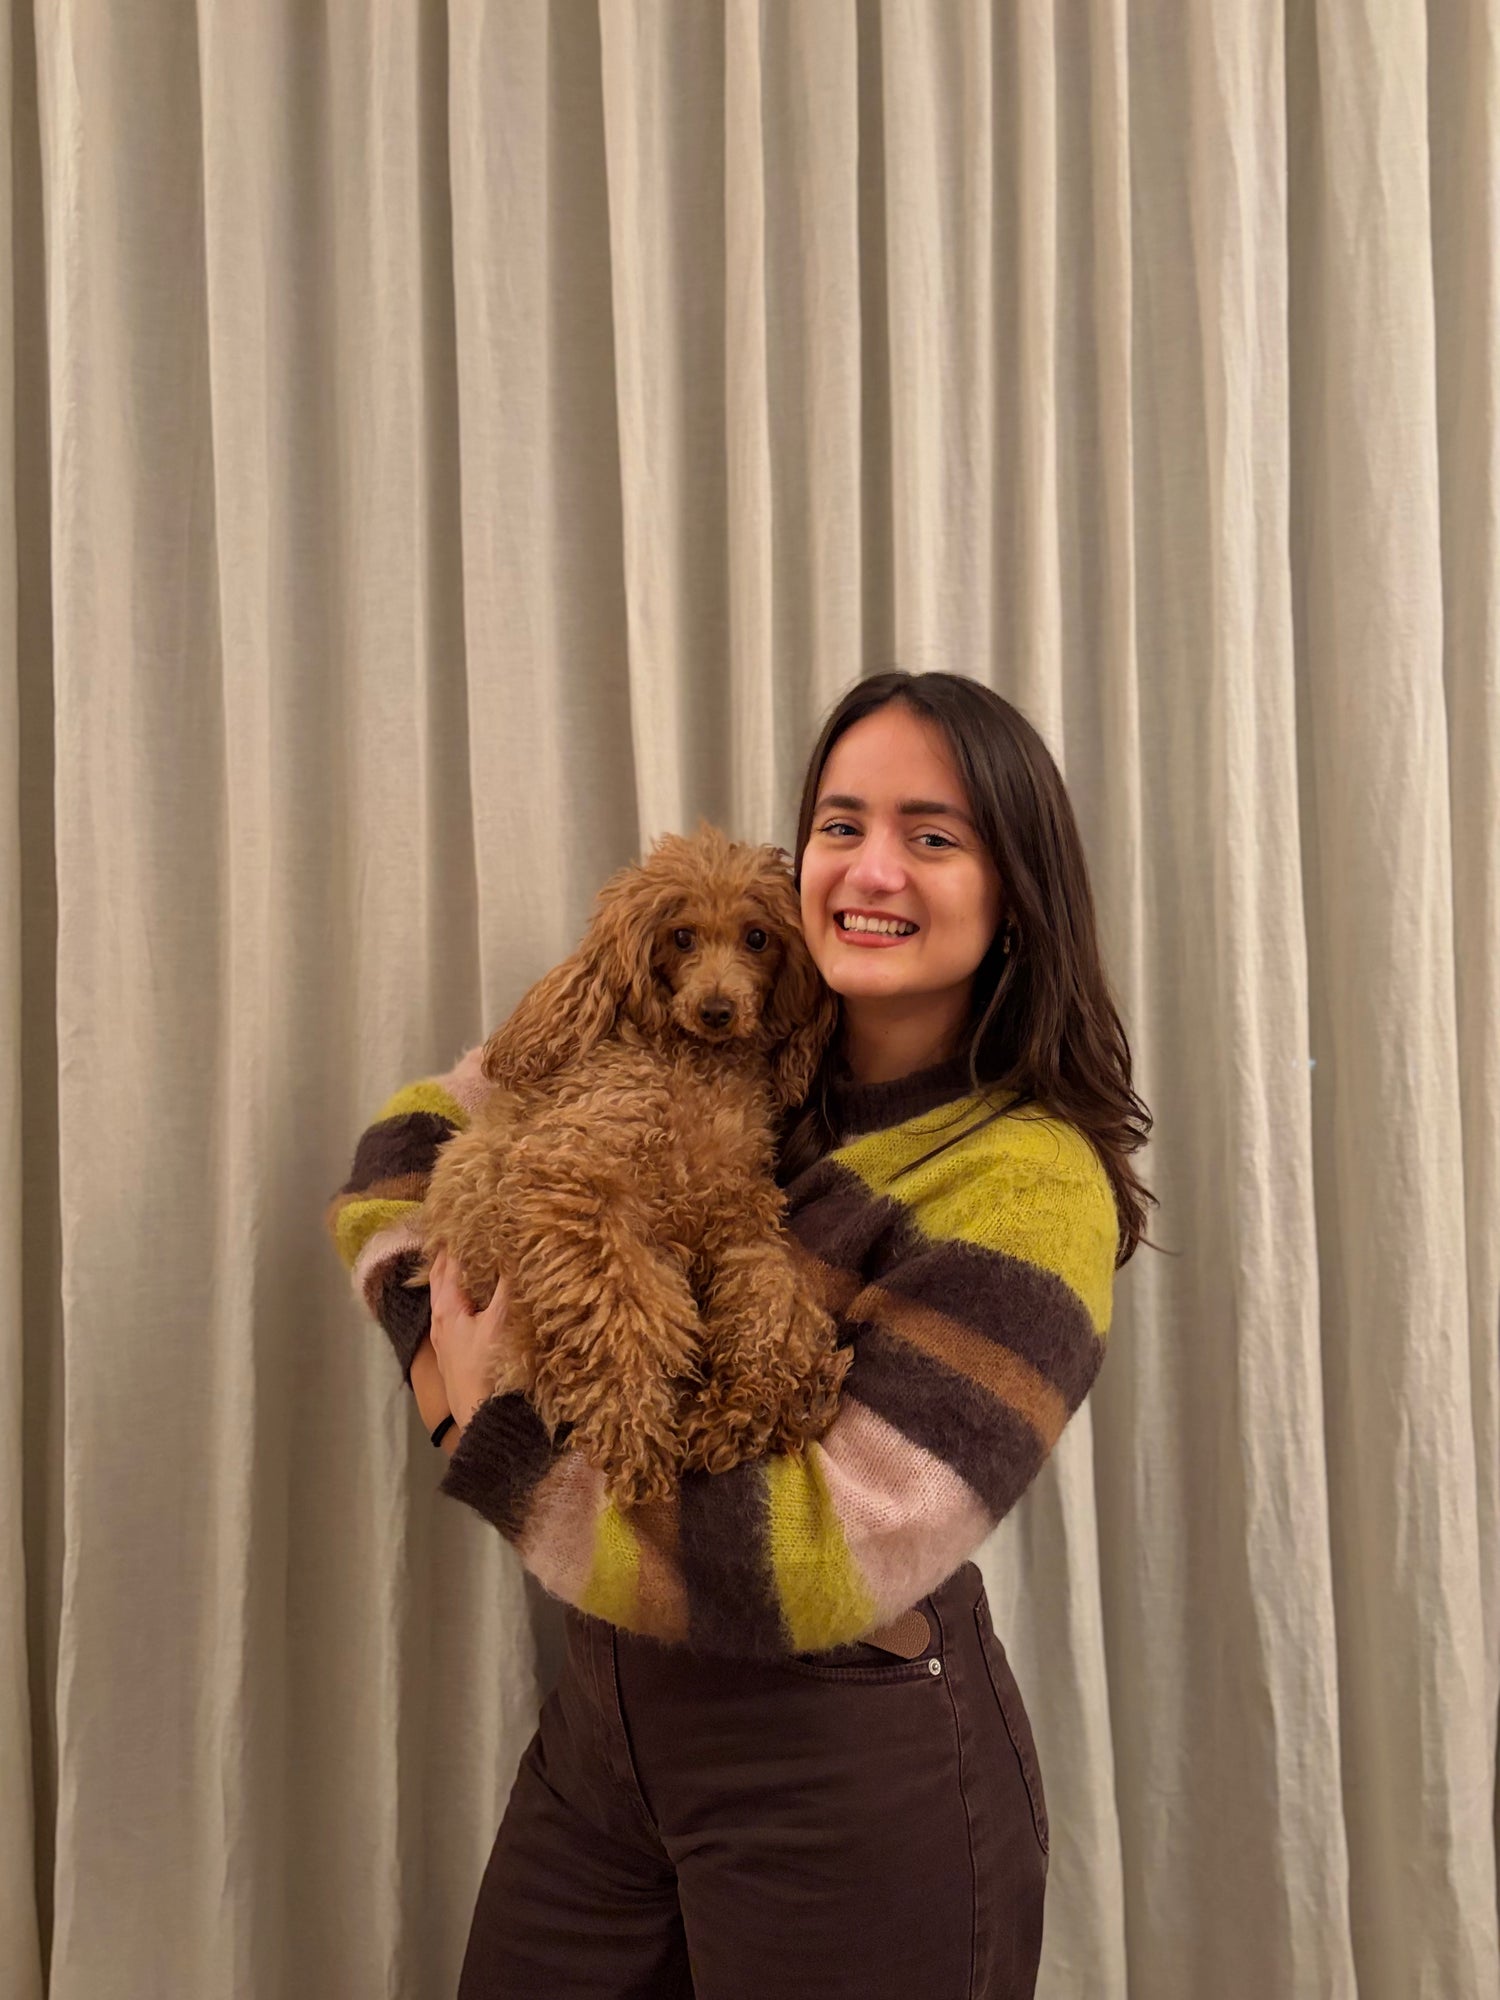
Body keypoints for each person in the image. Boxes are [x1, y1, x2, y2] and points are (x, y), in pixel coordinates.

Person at [328, 670, 1154, 1998]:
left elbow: (811, 1563)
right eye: (841, 823)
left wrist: (495, 1434)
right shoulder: (737, 1057)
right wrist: (441, 1361)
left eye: (932, 836)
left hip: (844, 1768)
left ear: (1016, 894)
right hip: (604, 1742)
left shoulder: (1025, 1182)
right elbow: (403, 1150)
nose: (871, 868)